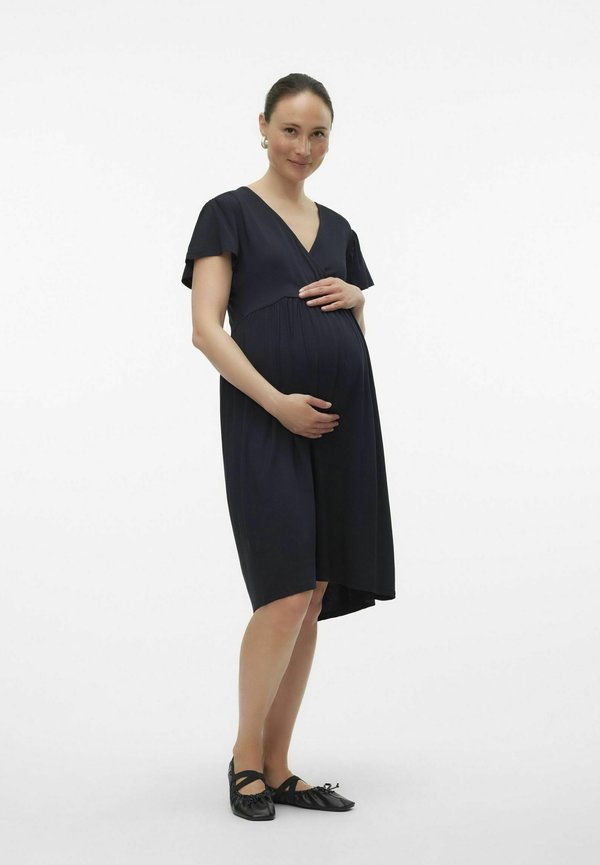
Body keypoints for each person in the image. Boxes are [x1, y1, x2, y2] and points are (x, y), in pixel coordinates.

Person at [181, 72, 396, 821]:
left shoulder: (338, 228)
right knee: (282, 593)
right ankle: (245, 759)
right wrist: (277, 402)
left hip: (342, 426)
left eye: (318, 133)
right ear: (264, 127)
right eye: (291, 130)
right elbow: (206, 329)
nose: (304, 146)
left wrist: (358, 300)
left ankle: (278, 765)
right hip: (263, 417)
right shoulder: (227, 213)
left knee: (313, 596)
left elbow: (349, 333)